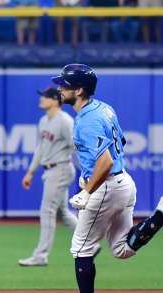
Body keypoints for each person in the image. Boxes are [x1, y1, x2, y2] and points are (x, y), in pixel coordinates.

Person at [51, 64, 163, 293]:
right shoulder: (103, 108)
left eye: (65, 85)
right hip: (123, 183)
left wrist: (87, 192)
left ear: (79, 89)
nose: (60, 88)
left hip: (105, 186)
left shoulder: (86, 120)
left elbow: (105, 162)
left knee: (81, 248)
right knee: (121, 249)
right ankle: (160, 215)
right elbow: (119, 144)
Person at [19, 87, 101, 267]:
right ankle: (91, 244)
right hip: (50, 170)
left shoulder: (65, 121)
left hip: (61, 169)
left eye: (45, 97)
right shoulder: (43, 121)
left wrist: (89, 173)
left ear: (55, 100)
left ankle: (41, 255)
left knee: (46, 211)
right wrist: (31, 171)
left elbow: (76, 148)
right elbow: (40, 148)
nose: (41, 100)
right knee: (61, 213)